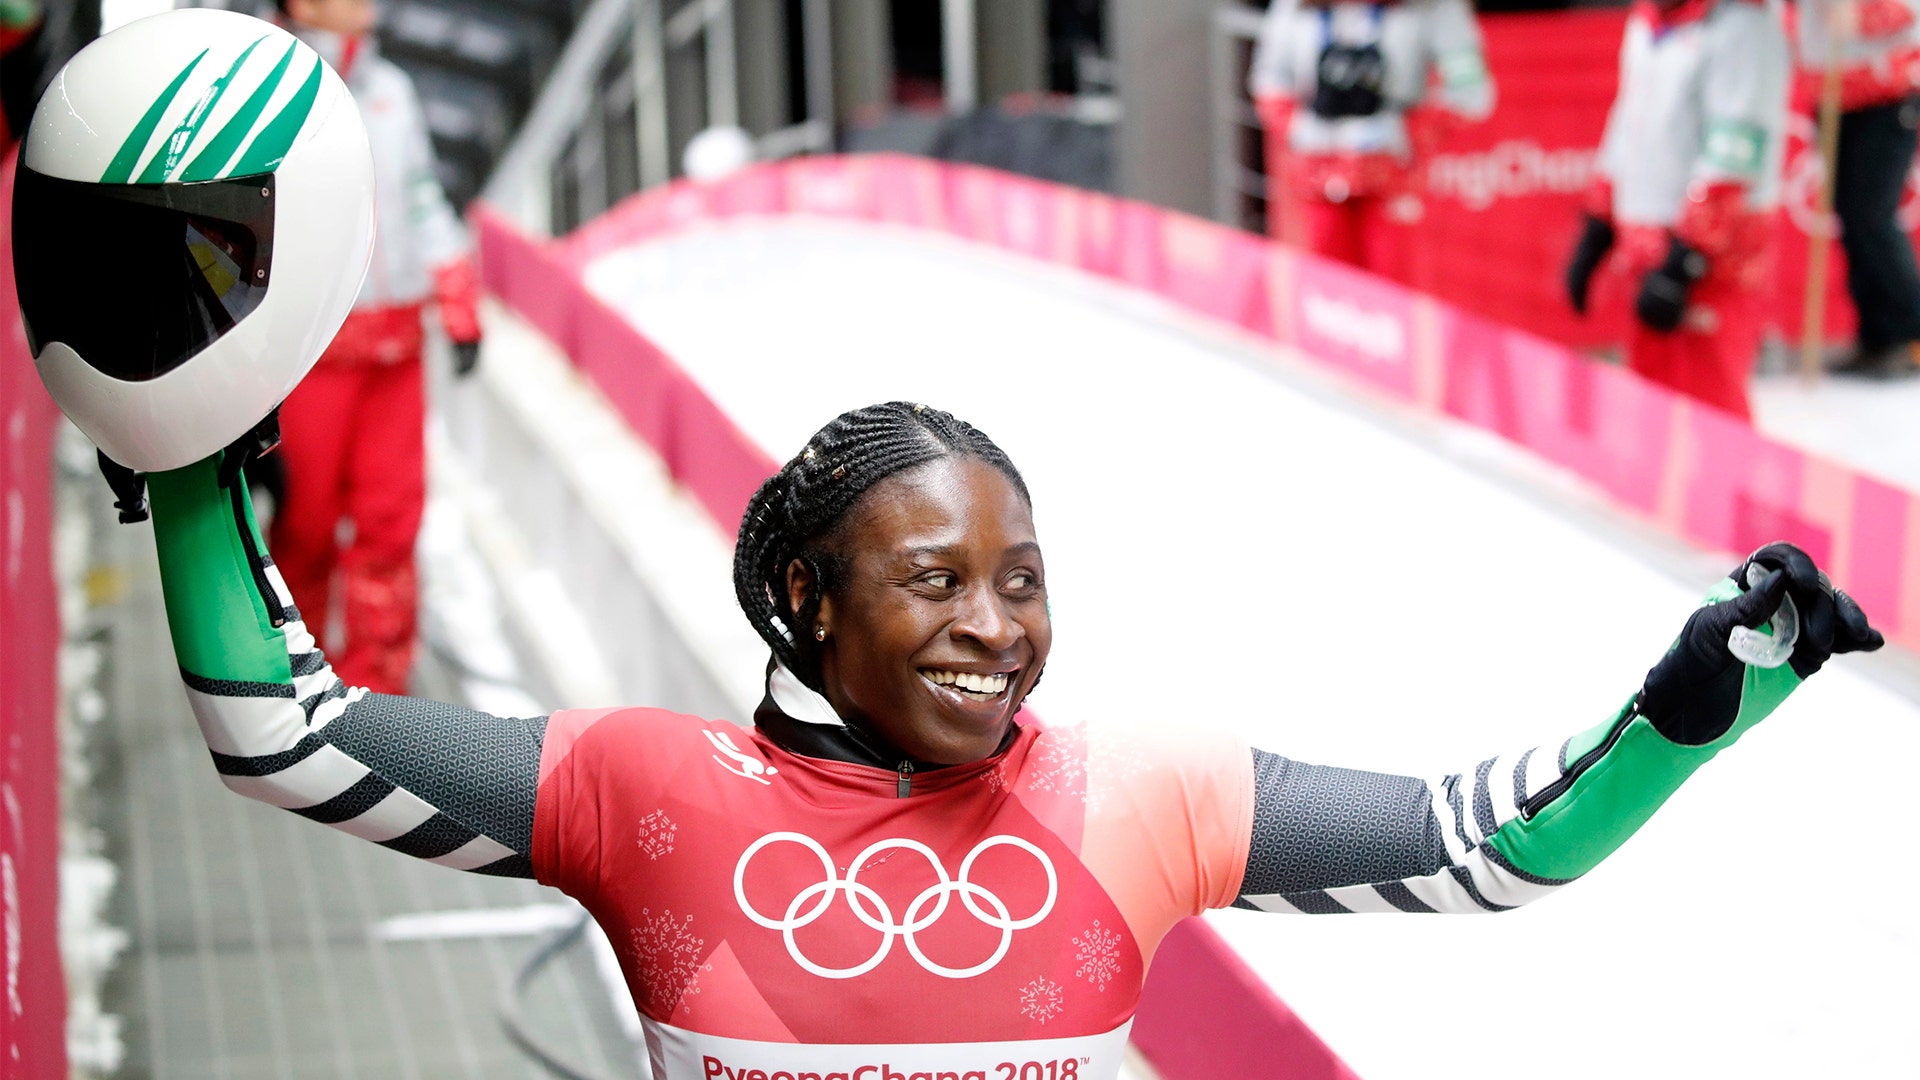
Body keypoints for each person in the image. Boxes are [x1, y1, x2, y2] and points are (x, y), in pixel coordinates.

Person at [14, 15, 1886, 1075]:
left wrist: (1698, 699)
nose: (999, 632)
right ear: (805, 603)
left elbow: (1495, 855)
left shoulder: (1134, 795)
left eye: (1022, 578)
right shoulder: (643, 787)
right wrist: (182, 445)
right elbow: (281, 736)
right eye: (934, 581)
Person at [268, 0, 483, 693]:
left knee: (391, 525)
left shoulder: (390, 88)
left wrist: (456, 298)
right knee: (306, 524)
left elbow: (422, 202)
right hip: (311, 356)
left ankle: (376, 698)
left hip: (396, 351)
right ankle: (284, 688)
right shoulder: (269, 93)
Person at [1564, 0, 1792, 420]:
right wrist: (1599, 222)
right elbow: (1628, 122)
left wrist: (1685, 259)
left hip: (1713, 254)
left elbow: (1735, 152)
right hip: (1647, 240)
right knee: (1653, 401)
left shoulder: (1741, 26)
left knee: (1707, 398)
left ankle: (1723, 482)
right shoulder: (1647, 21)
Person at [1248, 0, 1495, 281]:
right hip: (1317, 179)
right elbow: (1268, 81)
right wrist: (1303, 131)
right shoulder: (1294, 7)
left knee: (1392, 292)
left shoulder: (1433, 7)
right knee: (1325, 288)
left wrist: (1405, 133)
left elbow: (1472, 92)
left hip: (1393, 179)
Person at [1794, 0, 1920, 379]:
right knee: (1849, 217)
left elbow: (1907, 13)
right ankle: (1876, 337)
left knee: (1872, 216)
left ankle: (1910, 333)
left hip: (1885, 97)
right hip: (1832, 98)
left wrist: (1860, 13)